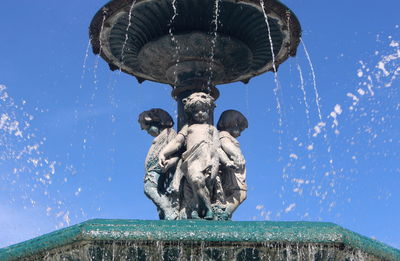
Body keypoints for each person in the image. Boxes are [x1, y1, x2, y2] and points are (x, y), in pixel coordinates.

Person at [159, 93, 235, 220]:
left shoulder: (212, 129)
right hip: (192, 159)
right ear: (190, 112)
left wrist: (226, 161)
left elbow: (218, 148)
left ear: (209, 111)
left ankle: (196, 209)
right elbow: (177, 142)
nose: (200, 113)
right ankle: (207, 209)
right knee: (196, 180)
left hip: (211, 159)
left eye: (203, 110)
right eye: (196, 111)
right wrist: (163, 153)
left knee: (206, 185)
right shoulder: (188, 128)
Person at [138, 108, 180, 220]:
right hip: (156, 168)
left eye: (148, 128)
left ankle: (168, 210)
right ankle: (164, 211)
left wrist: (173, 160)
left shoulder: (169, 133)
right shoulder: (163, 134)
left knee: (149, 188)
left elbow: (178, 150)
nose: (147, 131)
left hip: (160, 167)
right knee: (159, 191)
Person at [217, 110, 248, 218]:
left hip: (234, 169)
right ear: (233, 124)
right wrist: (236, 155)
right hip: (232, 171)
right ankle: (224, 214)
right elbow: (225, 145)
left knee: (233, 194)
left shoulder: (225, 135)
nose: (239, 134)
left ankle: (223, 210)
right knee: (241, 193)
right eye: (239, 129)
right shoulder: (224, 135)